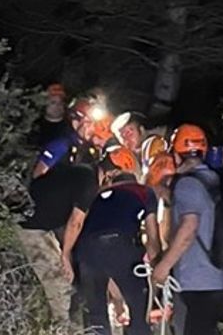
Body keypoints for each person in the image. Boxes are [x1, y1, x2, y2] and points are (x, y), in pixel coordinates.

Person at [61, 143, 161, 335]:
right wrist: (157, 267)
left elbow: (86, 231)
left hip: (86, 250)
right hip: (120, 245)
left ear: (111, 176)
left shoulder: (96, 195)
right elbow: (153, 237)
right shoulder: (144, 192)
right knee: (139, 309)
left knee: (96, 314)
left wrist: (66, 254)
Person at [152, 124, 223, 335]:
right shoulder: (219, 181)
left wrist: (163, 266)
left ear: (176, 155)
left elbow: (188, 228)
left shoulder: (187, 184)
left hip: (200, 280)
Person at [17, 156, 98, 327]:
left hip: (35, 224)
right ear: (110, 174)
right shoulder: (90, 183)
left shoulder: (77, 172)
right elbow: (75, 221)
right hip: (30, 228)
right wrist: (65, 255)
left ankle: (63, 324)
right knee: (59, 281)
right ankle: (60, 328)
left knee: (64, 280)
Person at [33, 97, 100, 179]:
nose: (92, 128)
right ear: (75, 122)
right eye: (88, 123)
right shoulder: (60, 145)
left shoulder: (90, 149)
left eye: (95, 124)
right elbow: (37, 176)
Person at [30, 82, 71, 148]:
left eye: (61, 102)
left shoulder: (71, 128)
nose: (57, 106)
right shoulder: (34, 128)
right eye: (53, 102)